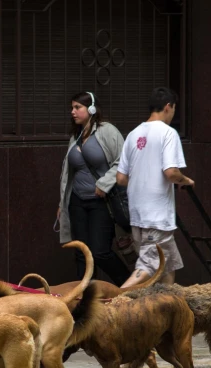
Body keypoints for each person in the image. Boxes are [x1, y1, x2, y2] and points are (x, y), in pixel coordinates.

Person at [117, 87, 195, 288]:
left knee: (168, 265)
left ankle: (168, 310)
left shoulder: (133, 134)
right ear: (168, 107)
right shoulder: (168, 133)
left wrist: (144, 179)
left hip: (137, 214)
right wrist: (186, 180)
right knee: (148, 266)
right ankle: (113, 300)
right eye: (174, 109)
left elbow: (121, 178)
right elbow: (171, 173)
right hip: (156, 216)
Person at [57, 91, 131, 285]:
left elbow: (123, 160)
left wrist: (104, 184)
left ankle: (126, 286)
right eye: (72, 107)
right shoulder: (76, 136)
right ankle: (84, 295)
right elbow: (67, 174)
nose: (72, 111)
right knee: (81, 252)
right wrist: (62, 203)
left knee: (100, 252)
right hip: (77, 201)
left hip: (101, 202)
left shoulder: (107, 131)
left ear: (91, 109)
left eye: (77, 107)